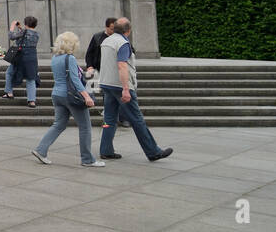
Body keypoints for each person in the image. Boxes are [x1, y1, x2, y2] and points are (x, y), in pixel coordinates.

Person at [98, 18, 173, 163]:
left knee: (109, 119)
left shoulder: (106, 41)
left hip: (107, 84)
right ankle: (153, 151)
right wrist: (126, 89)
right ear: (128, 31)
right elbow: (122, 65)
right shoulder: (123, 43)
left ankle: (106, 150)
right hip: (120, 86)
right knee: (137, 119)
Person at [31, 31, 97, 167]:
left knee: (59, 124)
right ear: (72, 44)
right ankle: (87, 159)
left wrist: (86, 74)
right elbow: (75, 81)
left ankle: (41, 150)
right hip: (70, 96)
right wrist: (86, 97)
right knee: (85, 127)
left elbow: (68, 76)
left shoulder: (55, 58)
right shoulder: (70, 58)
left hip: (57, 94)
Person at [3, 16, 41, 106]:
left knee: (9, 72)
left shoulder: (23, 32)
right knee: (31, 78)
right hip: (32, 58)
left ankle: (9, 92)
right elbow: (26, 34)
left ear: (25, 24)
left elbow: (11, 36)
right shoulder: (36, 34)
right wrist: (20, 28)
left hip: (21, 56)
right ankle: (32, 101)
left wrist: (12, 27)